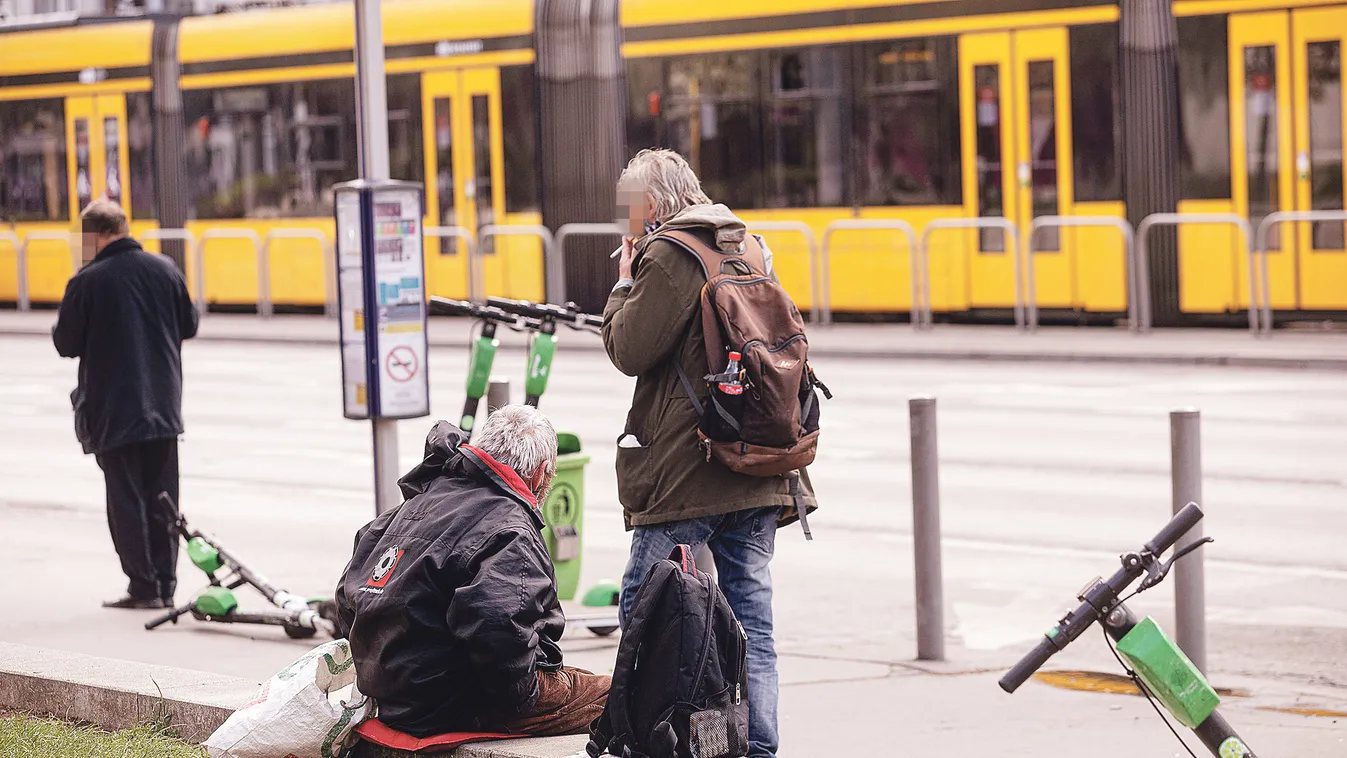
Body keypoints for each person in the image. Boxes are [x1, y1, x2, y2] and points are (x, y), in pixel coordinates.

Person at [602, 148, 817, 758]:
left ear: (650, 204)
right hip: (759, 463)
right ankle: (759, 747)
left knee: (646, 606)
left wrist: (623, 281)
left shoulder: (670, 254)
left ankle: (643, 741)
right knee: (752, 619)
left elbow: (628, 349)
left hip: (690, 472)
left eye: (626, 204)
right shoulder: (744, 244)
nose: (622, 217)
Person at [335, 408, 609, 738]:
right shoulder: (509, 529)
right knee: (621, 692)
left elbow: (347, 596)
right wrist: (518, 699)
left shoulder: (418, 503)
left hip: (397, 698)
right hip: (454, 706)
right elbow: (497, 632)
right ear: (541, 474)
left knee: (572, 678)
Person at [52, 198, 199, 610]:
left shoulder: (88, 281)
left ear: (95, 235)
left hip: (113, 409)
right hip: (164, 406)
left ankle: (143, 587)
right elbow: (189, 324)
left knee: (126, 500)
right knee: (164, 497)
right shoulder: (165, 269)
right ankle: (167, 583)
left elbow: (65, 343)